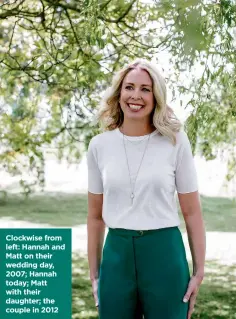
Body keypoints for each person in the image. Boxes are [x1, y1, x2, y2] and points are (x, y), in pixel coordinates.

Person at [87, 58, 206, 319]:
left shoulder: (175, 141)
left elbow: (192, 212)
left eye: (145, 89)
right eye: (129, 87)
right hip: (116, 255)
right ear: (119, 94)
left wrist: (199, 272)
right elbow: (95, 216)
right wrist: (95, 275)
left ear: (156, 96)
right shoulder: (99, 146)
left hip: (164, 253)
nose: (136, 96)